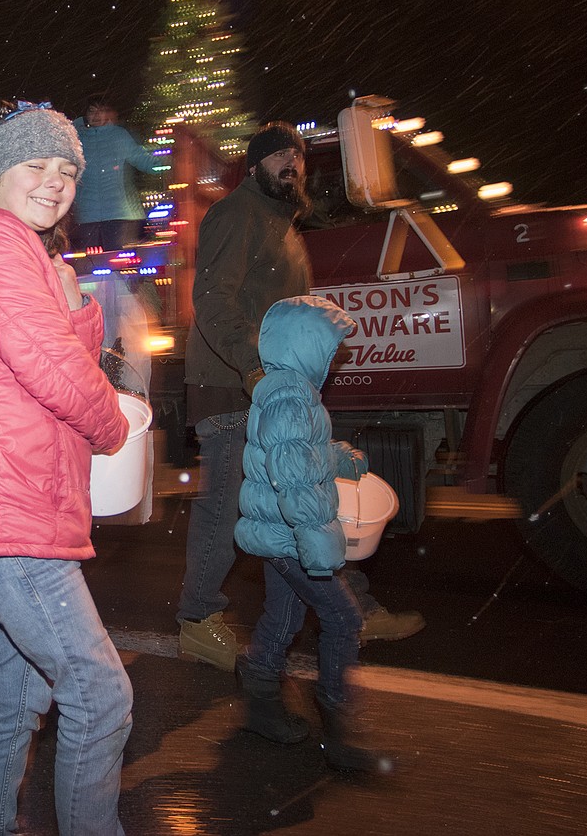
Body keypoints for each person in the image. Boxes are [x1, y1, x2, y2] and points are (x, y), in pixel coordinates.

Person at [0, 100, 133, 836]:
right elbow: (57, 376)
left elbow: (46, 358)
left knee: (18, 694)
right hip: (9, 517)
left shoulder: (17, 250)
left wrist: (74, 308)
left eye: (67, 169)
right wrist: (116, 428)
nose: (54, 181)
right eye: (35, 165)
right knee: (100, 698)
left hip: (7, 511)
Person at [177, 121, 424, 671]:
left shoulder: (283, 222)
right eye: (279, 155)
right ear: (255, 163)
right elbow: (214, 302)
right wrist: (255, 370)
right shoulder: (237, 215)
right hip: (232, 383)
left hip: (274, 381)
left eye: (298, 155)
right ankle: (198, 620)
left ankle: (353, 605)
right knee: (225, 504)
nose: (292, 162)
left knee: (303, 490)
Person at [234, 294, 386, 772]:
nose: (336, 357)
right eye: (331, 346)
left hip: (279, 534)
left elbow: (293, 454)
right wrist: (318, 546)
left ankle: (259, 700)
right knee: (344, 620)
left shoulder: (288, 389)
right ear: (306, 346)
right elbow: (294, 479)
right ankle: (337, 728)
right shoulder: (292, 395)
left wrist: (336, 455)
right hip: (293, 536)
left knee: (282, 618)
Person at [70, 98, 159, 251]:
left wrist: (170, 164)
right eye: (92, 111)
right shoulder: (77, 140)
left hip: (119, 215)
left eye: (101, 110)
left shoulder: (118, 136)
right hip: (86, 215)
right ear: (85, 114)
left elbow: (142, 160)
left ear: (108, 113)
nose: (96, 115)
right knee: (89, 265)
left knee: (119, 262)